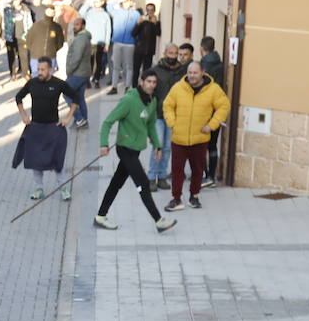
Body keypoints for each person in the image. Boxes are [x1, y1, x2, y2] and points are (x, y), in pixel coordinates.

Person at [94, 69, 176, 233]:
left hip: (136, 149)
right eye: (149, 82)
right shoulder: (129, 100)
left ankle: (100, 216)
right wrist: (104, 144)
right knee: (143, 183)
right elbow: (107, 122)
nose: (152, 85)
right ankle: (158, 220)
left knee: (116, 183)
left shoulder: (151, 101)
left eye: (154, 82)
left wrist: (157, 145)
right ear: (141, 82)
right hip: (125, 149)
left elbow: (151, 125)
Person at [162, 59, 229, 211]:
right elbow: (167, 105)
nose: (192, 76)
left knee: (198, 169)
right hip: (179, 138)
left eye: (195, 73)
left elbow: (224, 106)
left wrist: (212, 125)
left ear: (202, 73)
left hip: (200, 138)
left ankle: (194, 196)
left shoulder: (213, 90)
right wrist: (172, 123)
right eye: (190, 73)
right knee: (177, 170)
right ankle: (176, 198)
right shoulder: (178, 88)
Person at [13, 55, 76, 199]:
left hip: (53, 128)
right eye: (38, 69)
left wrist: (68, 117)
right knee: (36, 160)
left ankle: (63, 189)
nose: (39, 72)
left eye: (43, 69)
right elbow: (18, 97)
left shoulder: (59, 84)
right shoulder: (32, 83)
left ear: (51, 69)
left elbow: (75, 98)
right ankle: (39, 189)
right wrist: (23, 115)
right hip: (35, 128)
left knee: (57, 159)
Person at [147, 43, 181, 190]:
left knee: (167, 148)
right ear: (164, 53)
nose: (172, 56)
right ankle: (151, 177)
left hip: (174, 115)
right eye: (170, 53)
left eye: (175, 53)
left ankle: (162, 176)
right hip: (158, 115)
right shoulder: (155, 71)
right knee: (158, 145)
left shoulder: (181, 72)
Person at [199, 36, 225, 186]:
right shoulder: (221, 64)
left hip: (205, 108)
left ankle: (204, 174)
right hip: (217, 109)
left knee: (201, 144)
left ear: (202, 48)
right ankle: (212, 177)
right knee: (213, 145)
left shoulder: (203, 65)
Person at [105, 0, 137, 94]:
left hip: (130, 43)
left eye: (127, 1)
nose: (126, 3)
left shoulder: (135, 14)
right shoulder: (117, 12)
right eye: (124, 2)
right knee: (116, 66)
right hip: (117, 42)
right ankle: (114, 87)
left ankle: (128, 86)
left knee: (129, 66)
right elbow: (109, 7)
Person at [63, 17, 91, 128]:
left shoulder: (80, 39)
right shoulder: (83, 37)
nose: (75, 27)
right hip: (83, 73)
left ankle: (79, 118)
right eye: (74, 25)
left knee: (66, 93)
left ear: (83, 26)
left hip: (78, 73)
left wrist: (69, 70)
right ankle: (84, 120)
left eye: (77, 25)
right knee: (79, 97)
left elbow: (76, 57)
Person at [23, 4, 62, 77]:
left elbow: (60, 43)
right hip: (36, 56)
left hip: (51, 56)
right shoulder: (36, 26)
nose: (50, 14)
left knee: (49, 78)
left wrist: (53, 49)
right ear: (45, 12)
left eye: (52, 12)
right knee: (36, 77)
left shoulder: (57, 27)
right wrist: (35, 50)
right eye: (48, 12)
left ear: (54, 13)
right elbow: (28, 40)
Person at [133, 2, 158, 76]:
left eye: (152, 10)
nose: (150, 12)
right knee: (136, 70)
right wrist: (138, 24)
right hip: (139, 50)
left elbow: (158, 33)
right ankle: (135, 86)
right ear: (146, 11)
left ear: (154, 11)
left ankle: (144, 86)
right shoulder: (142, 21)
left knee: (146, 71)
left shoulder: (156, 22)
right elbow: (133, 33)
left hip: (149, 51)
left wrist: (155, 24)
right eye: (148, 10)